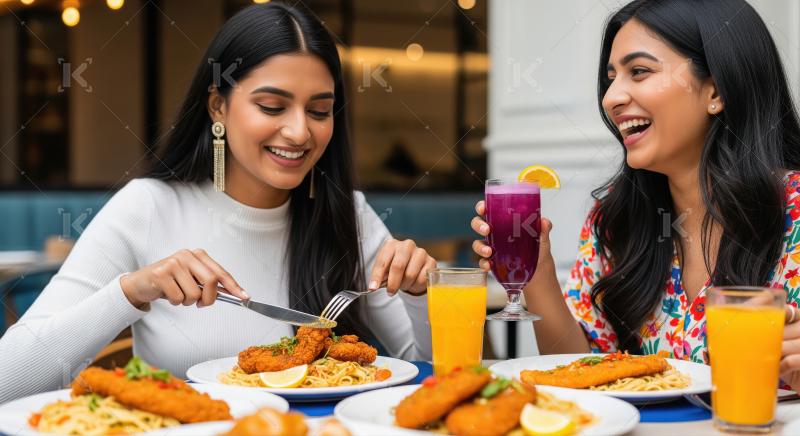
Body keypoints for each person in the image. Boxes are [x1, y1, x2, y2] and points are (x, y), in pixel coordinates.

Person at [0, 2, 435, 402]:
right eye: (271, 106)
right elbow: (6, 382)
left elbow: (432, 372)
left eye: (319, 112)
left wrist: (420, 295)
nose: (300, 132)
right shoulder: (148, 207)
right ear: (218, 107)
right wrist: (132, 292)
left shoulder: (347, 212)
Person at [471, 0, 800, 391]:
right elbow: (583, 371)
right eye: (611, 78)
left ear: (716, 89)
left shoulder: (793, 211)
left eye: (639, 71)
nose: (611, 98)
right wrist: (537, 276)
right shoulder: (614, 218)